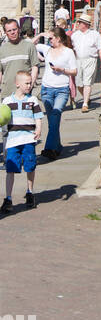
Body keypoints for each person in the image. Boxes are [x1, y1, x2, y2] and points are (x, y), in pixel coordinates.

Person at [2, 68, 43, 212]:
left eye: (30, 83)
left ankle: (30, 192)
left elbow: (38, 116)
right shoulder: (7, 101)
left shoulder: (32, 100)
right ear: (17, 84)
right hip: (13, 140)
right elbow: (3, 120)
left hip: (28, 138)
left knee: (30, 166)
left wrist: (38, 129)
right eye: (26, 83)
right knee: (10, 169)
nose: (29, 86)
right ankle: (8, 198)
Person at [35, 27, 77, 159]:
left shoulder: (68, 52)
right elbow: (30, 44)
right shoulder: (47, 49)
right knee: (53, 121)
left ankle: (48, 149)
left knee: (56, 114)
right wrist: (41, 34)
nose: (49, 40)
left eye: (51, 38)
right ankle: (57, 147)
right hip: (46, 89)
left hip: (62, 90)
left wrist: (62, 70)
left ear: (58, 39)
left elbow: (74, 71)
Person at [0, 18, 40, 102]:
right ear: (5, 33)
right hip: (7, 94)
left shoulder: (29, 46)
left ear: (19, 29)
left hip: (25, 94)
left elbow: (35, 67)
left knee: (24, 115)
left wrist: (30, 85)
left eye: (14, 29)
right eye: (9, 30)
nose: (12, 32)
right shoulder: (2, 50)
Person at [71, 13, 101, 111]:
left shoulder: (95, 34)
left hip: (91, 59)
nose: (78, 24)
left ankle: (85, 104)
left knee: (87, 82)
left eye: (79, 22)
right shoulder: (75, 35)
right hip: (78, 60)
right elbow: (73, 49)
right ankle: (87, 98)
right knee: (79, 83)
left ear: (85, 24)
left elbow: (99, 49)